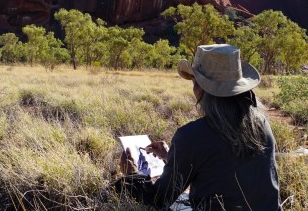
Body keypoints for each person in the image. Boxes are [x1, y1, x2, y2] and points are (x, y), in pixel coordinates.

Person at [116, 44, 281, 210]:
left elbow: (159, 199)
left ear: (199, 87)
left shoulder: (191, 136)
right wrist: (170, 157)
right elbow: (224, 168)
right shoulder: (262, 124)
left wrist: (132, 174)